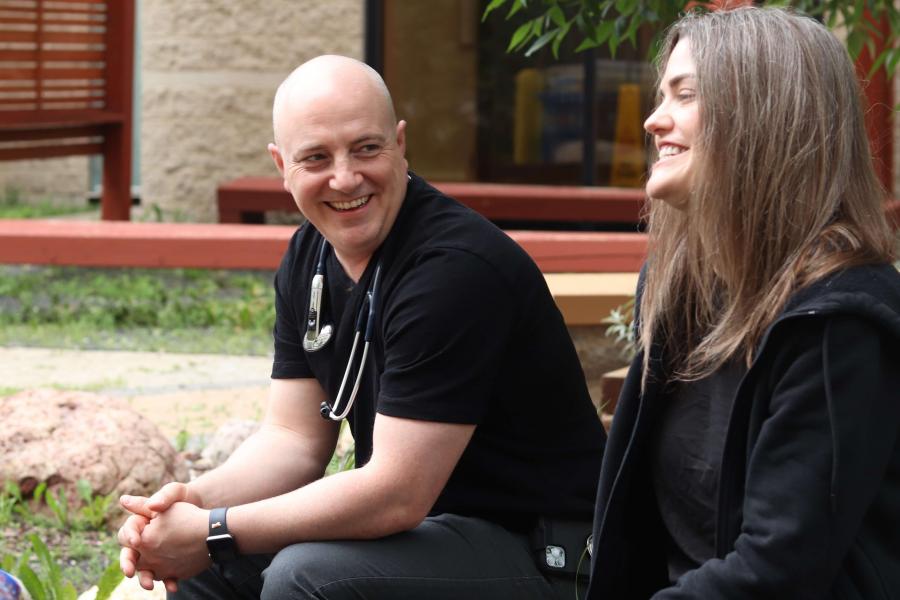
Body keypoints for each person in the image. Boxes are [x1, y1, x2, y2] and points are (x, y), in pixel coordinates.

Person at [116, 55, 606, 599]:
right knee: (214, 565)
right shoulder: (310, 256)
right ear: (282, 165)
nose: (345, 177)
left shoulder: (454, 269)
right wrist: (191, 505)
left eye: (366, 148)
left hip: (550, 555)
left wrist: (213, 531)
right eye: (316, 157)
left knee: (303, 576)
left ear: (400, 144)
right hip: (430, 536)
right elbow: (294, 441)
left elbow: (396, 493)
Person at [585, 6, 900, 599]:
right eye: (662, 96)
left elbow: (780, 568)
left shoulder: (840, 319)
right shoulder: (677, 287)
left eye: (685, 96)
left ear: (763, 117)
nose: (654, 120)